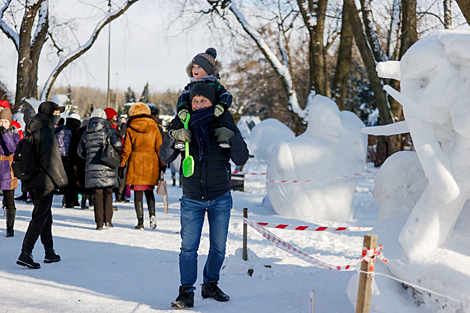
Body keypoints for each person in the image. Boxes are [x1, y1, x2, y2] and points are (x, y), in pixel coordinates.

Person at [160, 83, 249, 309]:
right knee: (188, 248)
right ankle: (186, 291)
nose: (198, 104)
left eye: (203, 100)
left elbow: (241, 158)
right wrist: (172, 136)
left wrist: (233, 136)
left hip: (220, 196)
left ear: (212, 102)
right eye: (195, 101)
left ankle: (210, 284)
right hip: (191, 198)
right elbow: (165, 156)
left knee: (218, 247)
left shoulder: (224, 120)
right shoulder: (183, 120)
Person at [17, 101, 68, 269]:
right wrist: (63, 183)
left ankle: (49, 252)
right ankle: (25, 253)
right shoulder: (45, 131)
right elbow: (51, 161)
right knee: (39, 217)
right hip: (44, 180)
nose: (58, 116)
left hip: (32, 180)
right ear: (49, 113)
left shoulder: (33, 128)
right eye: (56, 113)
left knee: (46, 216)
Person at [118, 102, 166, 230]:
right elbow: (159, 148)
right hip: (151, 163)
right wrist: (162, 164)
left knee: (138, 195)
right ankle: (152, 216)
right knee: (149, 192)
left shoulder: (130, 129)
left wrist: (122, 165)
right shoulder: (154, 128)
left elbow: (126, 149)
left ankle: (140, 222)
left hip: (136, 163)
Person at [175, 47, 233, 150]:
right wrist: (182, 109)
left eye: (199, 67)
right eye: (193, 66)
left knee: (223, 122)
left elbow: (226, 96)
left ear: (208, 70)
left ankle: (223, 138)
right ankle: (181, 140)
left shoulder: (215, 85)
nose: (195, 70)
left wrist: (221, 106)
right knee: (181, 123)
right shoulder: (190, 87)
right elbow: (182, 98)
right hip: (193, 117)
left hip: (212, 116)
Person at [78, 109, 122, 230]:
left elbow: (80, 152)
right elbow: (118, 145)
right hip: (108, 166)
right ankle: (108, 221)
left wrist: (90, 157)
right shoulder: (109, 130)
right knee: (108, 193)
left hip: (92, 168)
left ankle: (99, 224)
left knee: (97, 195)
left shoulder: (86, 133)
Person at [0, 108, 20, 237]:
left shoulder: (14, 134)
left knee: (9, 200)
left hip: (7, 168)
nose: (2, 124)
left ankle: (10, 227)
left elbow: (13, 149)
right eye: (0, 121)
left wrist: (5, 134)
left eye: (5, 121)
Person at [56, 113, 81, 208]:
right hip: (74, 159)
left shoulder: (63, 130)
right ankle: (74, 200)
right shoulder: (76, 131)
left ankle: (67, 200)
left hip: (63, 159)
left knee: (67, 180)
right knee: (74, 180)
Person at [105, 108, 128, 203]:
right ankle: (118, 196)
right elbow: (121, 133)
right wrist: (124, 124)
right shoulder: (108, 127)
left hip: (119, 153)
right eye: (115, 116)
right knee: (118, 175)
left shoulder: (113, 127)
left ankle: (120, 195)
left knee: (122, 175)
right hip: (113, 154)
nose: (116, 118)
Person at [14, 107, 35, 203]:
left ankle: (28, 194)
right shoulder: (33, 123)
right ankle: (27, 194)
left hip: (29, 152)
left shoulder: (30, 124)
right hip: (30, 152)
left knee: (27, 174)